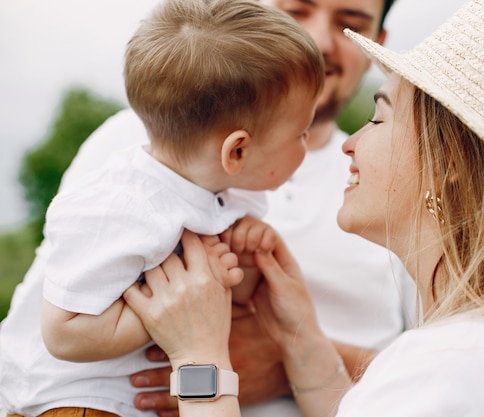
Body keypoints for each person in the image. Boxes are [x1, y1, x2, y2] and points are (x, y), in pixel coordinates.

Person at [125, 1, 484, 416]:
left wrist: (199, 357)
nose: (351, 145)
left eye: (378, 118)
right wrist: (300, 339)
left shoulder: (448, 361)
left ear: (447, 159)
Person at [54, 1, 414, 417]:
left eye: (350, 25)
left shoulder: (397, 182)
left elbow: (441, 368)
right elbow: (53, 314)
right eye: (296, 11)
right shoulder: (132, 145)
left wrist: (290, 359)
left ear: (377, 43)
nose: (317, 41)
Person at [0, 0, 324, 416]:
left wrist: (246, 261)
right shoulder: (119, 208)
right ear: (237, 150)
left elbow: (216, 304)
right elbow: (63, 334)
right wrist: (165, 316)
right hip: (66, 400)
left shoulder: (232, 193)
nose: (306, 143)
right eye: (302, 132)